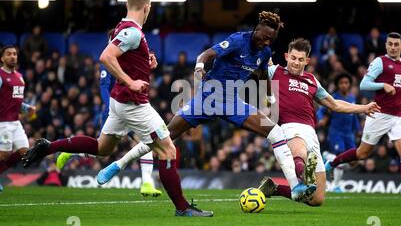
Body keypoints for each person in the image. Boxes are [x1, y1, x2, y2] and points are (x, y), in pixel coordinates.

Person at [21, 0, 208, 216]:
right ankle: (183, 208)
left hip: (118, 102)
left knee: (103, 147)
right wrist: (130, 81)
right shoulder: (133, 32)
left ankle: (49, 146)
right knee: (168, 150)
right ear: (147, 7)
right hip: (133, 103)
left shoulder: (122, 27)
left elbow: (122, 55)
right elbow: (106, 57)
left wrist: (144, 62)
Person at [98, 11, 317, 205]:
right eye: (264, 36)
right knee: (163, 135)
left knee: (275, 132)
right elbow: (206, 55)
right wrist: (199, 68)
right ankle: (118, 164)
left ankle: (295, 186)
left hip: (232, 101)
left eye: (271, 39)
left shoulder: (265, 53)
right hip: (208, 98)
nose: (266, 41)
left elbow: (260, 75)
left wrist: (269, 98)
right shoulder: (237, 41)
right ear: (256, 29)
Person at [257, 38, 380, 206]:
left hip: (311, 132)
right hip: (288, 126)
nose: (296, 62)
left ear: (307, 61)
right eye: (293, 58)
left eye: (300, 59)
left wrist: (363, 108)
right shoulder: (275, 72)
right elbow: (258, 62)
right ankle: (303, 173)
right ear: (286, 56)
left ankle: (275, 188)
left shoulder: (312, 81)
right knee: (299, 151)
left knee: (317, 199)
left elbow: (335, 104)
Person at [324, 32, 401, 205]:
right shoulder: (380, 62)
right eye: (390, 44)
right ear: (386, 45)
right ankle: (332, 163)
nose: (393, 47)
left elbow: (400, 89)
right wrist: (383, 85)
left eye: (397, 44)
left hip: (398, 117)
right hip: (379, 113)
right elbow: (364, 84)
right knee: (362, 153)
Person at [56, 60, 162, 197]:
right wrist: (110, 106)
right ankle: (72, 151)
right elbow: (104, 87)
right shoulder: (109, 60)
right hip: (115, 110)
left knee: (148, 141)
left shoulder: (131, 56)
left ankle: (147, 183)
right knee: (103, 150)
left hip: (132, 107)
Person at [0, 45, 36, 192]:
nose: (12, 56)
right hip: (3, 123)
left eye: (14, 54)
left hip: (15, 122)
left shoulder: (20, 77)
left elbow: (17, 101)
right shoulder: (0, 76)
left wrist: (28, 108)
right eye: (8, 54)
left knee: (25, 153)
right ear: (2, 58)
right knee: (4, 154)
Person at [319, 73, 361, 192]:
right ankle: (336, 186)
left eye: (346, 83)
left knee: (353, 161)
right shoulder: (333, 97)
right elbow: (321, 110)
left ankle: (327, 156)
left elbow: (354, 116)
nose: (343, 85)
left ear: (349, 85)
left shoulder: (353, 98)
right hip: (336, 133)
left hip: (349, 135)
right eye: (341, 83)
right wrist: (321, 119)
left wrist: (358, 129)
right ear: (338, 85)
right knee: (341, 158)